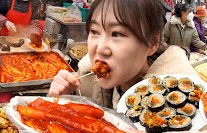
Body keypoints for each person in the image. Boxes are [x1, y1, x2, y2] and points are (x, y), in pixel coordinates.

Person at [48, 0, 198, 108]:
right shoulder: (84, 84)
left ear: (152, 43)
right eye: (94, 32)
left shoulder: (185, 104)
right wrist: (62, 103)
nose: (100, 48)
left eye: (117, 34)